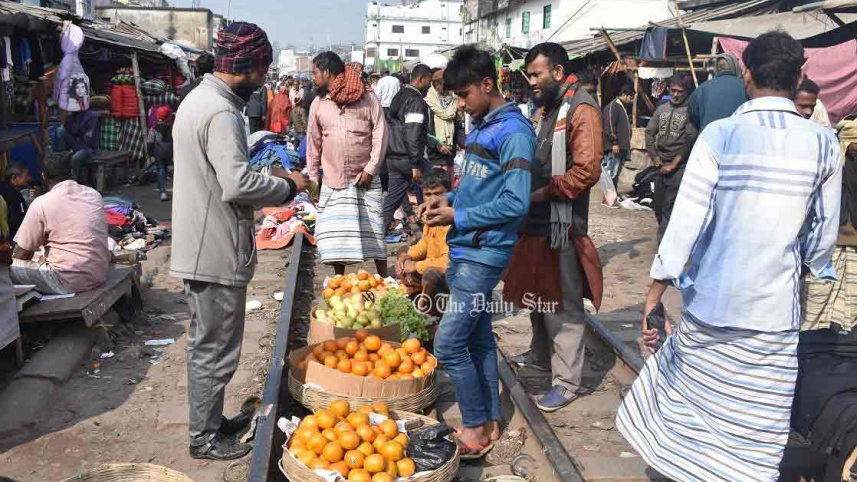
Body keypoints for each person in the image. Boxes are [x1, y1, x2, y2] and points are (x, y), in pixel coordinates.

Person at [616, 31, 842, 482]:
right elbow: (822, 236)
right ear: (799, 77)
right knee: (755, 425)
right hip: (773, 315)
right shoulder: (823, 144)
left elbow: (685, 223)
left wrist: (654, 292)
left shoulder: (721, 136)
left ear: (747, 73)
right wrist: (809, 267)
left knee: (695, 408)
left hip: (712, 306)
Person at [171, 22, 307, 460]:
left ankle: (210, 424)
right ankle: (204, 439)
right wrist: (289, 184)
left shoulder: (201, 99)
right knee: (215, 350)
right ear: (246, 66)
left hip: (201, 243)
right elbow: (237, 183)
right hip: (214, 249)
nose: (264, 79)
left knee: (208, 346)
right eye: (262, 69)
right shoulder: (221, 111)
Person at [419, 44, 535, 457]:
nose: (462, 105)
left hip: (483, 253)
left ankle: (472, 428)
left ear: (488, 84)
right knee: (480, 342)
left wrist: (459, 217)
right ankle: (488, 422)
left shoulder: (514, 133)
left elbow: (516, 202)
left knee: (448, 344)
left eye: (465, 95)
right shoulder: (484, 125)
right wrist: (446, 200)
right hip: (467, 248)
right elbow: (477, 185)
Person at [504, 42, 603, 412]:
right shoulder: (550, 108)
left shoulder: (581, 109)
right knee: (538, 296)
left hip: (561, 221)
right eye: (529, 75)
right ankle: (540, 356)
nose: (530, 81)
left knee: (562, 303)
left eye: (536, 74)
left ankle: (566, 381)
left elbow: (587, 171)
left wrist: (542, 193)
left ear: (558, 72)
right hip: (538, 221)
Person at [793, 117, 857, 482]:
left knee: (814, 334)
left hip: (828, 259)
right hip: (833, 260)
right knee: (829, 335)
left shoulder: (832, 162)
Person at [307, 51, 389, 277]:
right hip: (334, 180)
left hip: (366, 179)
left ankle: (383, 277)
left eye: (315, 72)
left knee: (374, 233)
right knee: (336, 237)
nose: (313, 77)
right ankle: (338, 280)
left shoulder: (368, 98)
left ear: (327, 72)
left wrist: (371, 168)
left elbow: (380, 133)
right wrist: (313, 180)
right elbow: (313, 144)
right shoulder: (319, 103)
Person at [11, 152, 110, 295]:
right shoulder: (94, 194)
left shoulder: (41, 204)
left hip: (66, 281)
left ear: (44, 176)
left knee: (6, 267)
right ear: (72, 172)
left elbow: (22, 254)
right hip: (99, 274)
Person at [645, 74, 698, 242]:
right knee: (659, 207)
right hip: (660, 165)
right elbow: (649, 133)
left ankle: (664, 248)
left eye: (680, 92)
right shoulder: (661, 109)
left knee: (669, 206)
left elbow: (689, 141)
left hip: (679, 167)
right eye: (673, 91)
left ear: (686, 93)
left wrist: (674, 164)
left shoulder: (690, 112)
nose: (675, 95)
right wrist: (655, 158)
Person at [383, 64, 433, 232]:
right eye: (429, 81)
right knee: (436, 188)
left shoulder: (400, 95)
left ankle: (376, 235)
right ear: (420, 79)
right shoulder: (415, 100)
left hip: (394, 157)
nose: (430, 85)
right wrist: (415, 164)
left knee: (391, 201)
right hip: (407, 157)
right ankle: (434, 232)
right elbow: (412, 132)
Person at [396, 170, 451, 308]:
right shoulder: (430, 217)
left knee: (430, 273)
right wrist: (407, 255)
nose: (432, 200)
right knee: (403, 251)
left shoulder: (450, 219)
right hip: (431, 266)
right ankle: (418, 293)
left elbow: (448, 262)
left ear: (448, 193)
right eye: (428, 195)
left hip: (449, 275)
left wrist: (416, 266)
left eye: (438, 194)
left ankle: (429, 303)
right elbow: (425, 243)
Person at [687, 53, 747, 132]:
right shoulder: (746, 86)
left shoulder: (702, 88)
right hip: (739, 137)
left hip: (709, 139)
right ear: (735, 66)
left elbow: (692, 115)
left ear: (716, 69)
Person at [425, 68, 459, 183]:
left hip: (450, 155)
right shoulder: (428, 101)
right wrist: (438, 146)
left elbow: (458, 125)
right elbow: (425, 131)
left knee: (448, 191)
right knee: (437, 189)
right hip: (435, 157)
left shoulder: (454, 100)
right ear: (436, 84)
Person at [602, 83, 633, 192]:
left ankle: (613, 195)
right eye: (630, 97)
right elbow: (609, 125)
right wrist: (614, 142)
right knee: (611, 172)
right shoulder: (613, 106)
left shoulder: (621, 106)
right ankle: (609, 196)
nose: (631, 100)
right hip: (614, 147)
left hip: (620, 147)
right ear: (624, 95)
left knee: (615, 173)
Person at [58, 109, 99, 183]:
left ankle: (73, 181)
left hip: (87, 148)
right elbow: (68, 132)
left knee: (75, 158)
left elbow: (88, 141)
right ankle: (62, 157)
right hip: (75, 144)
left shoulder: (92, 117)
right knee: (60, 130)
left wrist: (72, 150)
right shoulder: (71, 116)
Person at [146, 106, 173, 201]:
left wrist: (150, 154)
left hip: (158, 152)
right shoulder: (172, 128)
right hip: (169, 152)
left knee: (161, 169)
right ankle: (162, 185)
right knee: (165, 169)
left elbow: (150, 142)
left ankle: (162, 191)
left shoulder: (154, 129)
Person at [0, 163, 30, 242]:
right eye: (25, 176)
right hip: (11, 237)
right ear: (14, 178)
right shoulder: (13, 194)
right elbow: (16, 220)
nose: (28, 178)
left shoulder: (2, 187)